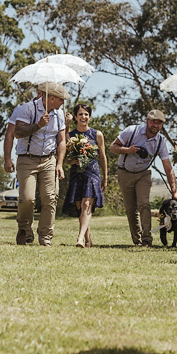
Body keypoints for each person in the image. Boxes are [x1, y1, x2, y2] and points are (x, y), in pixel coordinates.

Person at [10, 83, 68, 246]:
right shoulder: (27, 109)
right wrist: (38, 125)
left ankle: (46, 236)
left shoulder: (59, 114)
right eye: (61, 100)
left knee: (50, 198)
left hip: (49, 160)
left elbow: (62, 141)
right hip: (27, 159)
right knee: (27, 199)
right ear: (52, 98)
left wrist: (60, 164)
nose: (62, 103)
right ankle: (24, 229)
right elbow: (17, 133)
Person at [110, 110, 177, 247]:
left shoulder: (160, 142)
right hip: (125, 172)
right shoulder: (131, 131)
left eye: (159, 123)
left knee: (144, 204)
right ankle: (137, 239)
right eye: (153, 121)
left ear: (162, 125)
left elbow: (167, 167)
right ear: (147, 121)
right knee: (130, 208)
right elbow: (113, 147)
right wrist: (128, 150)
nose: (155, 125)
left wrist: (174, 191)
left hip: (143, 173)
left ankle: (147, 240)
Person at [62, 104, 107, 248]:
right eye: (80, 114)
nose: (83, 117)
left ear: (89, 116)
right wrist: (72, 161)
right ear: (75, 117)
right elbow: (66, 159)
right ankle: (88, 240)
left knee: (87, 204)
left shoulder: (97, 134)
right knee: (80, 208)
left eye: (86, 114)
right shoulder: (69, 135)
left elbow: (103, 157)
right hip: (77, 174)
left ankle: (79, 238)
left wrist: (105, 177)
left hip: (92, 173)